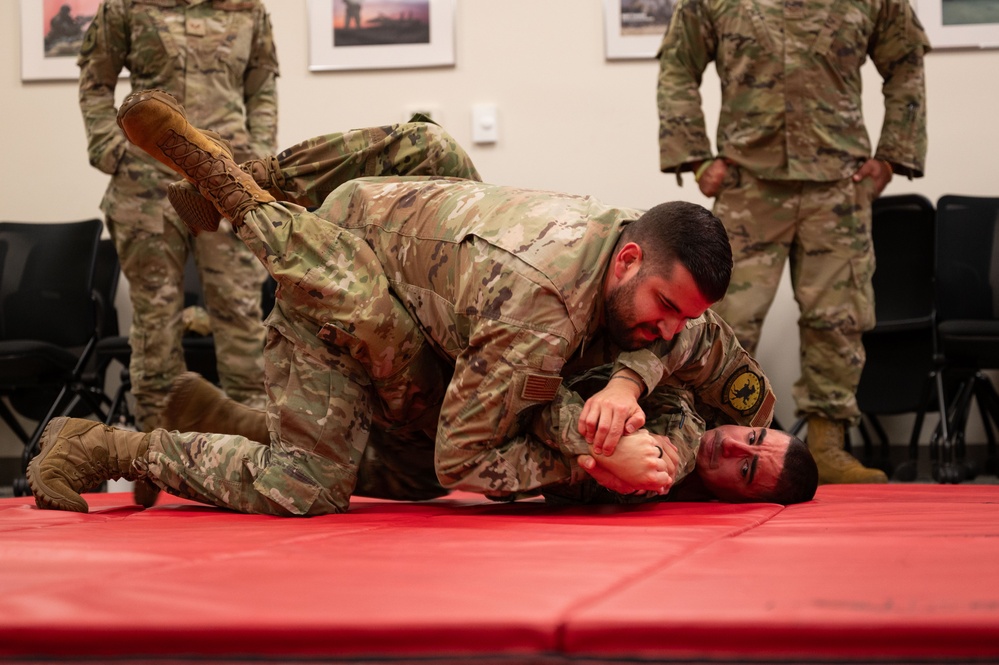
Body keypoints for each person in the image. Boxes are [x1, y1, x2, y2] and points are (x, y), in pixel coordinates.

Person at [29, 89, 737, 516]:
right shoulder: (541, 308)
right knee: (305, 485)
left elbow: (691, 349)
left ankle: (212, 408)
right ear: (626, 260)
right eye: (662, 307)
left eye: (747, 460)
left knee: (435, 150)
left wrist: (625, 384)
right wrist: (592, 457)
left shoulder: (645, 263)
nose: (668, 327)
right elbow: (461, 458)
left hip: (417, 275)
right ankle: (103, 444)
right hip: (341, 272)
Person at [656, 0, 930, 484]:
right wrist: (694, 156)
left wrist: (891, 157)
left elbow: (906, 58)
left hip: (836, 189)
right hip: (748, 187)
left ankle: (828, 446)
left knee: (838, 320)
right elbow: (678, 64)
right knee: (722, 322)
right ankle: (714, 441)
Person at [77, 2, 279, 452]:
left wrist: (258, 153)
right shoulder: (127, 6)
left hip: (228, 179)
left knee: (242, 313)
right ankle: (153, 450)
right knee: (155, 321)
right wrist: (111, 149)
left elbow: (262, 86)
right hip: (144, 185)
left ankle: (256, 449)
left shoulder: (248, 8)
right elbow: (95, 78)